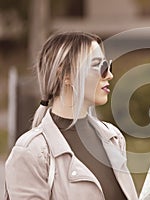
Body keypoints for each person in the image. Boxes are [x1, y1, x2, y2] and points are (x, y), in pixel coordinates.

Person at [4, 32, 138, 200]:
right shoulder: (31, 151)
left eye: (108, 66)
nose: (109, 75)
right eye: (99, 66)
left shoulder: (113, 137)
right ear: (65, 75)